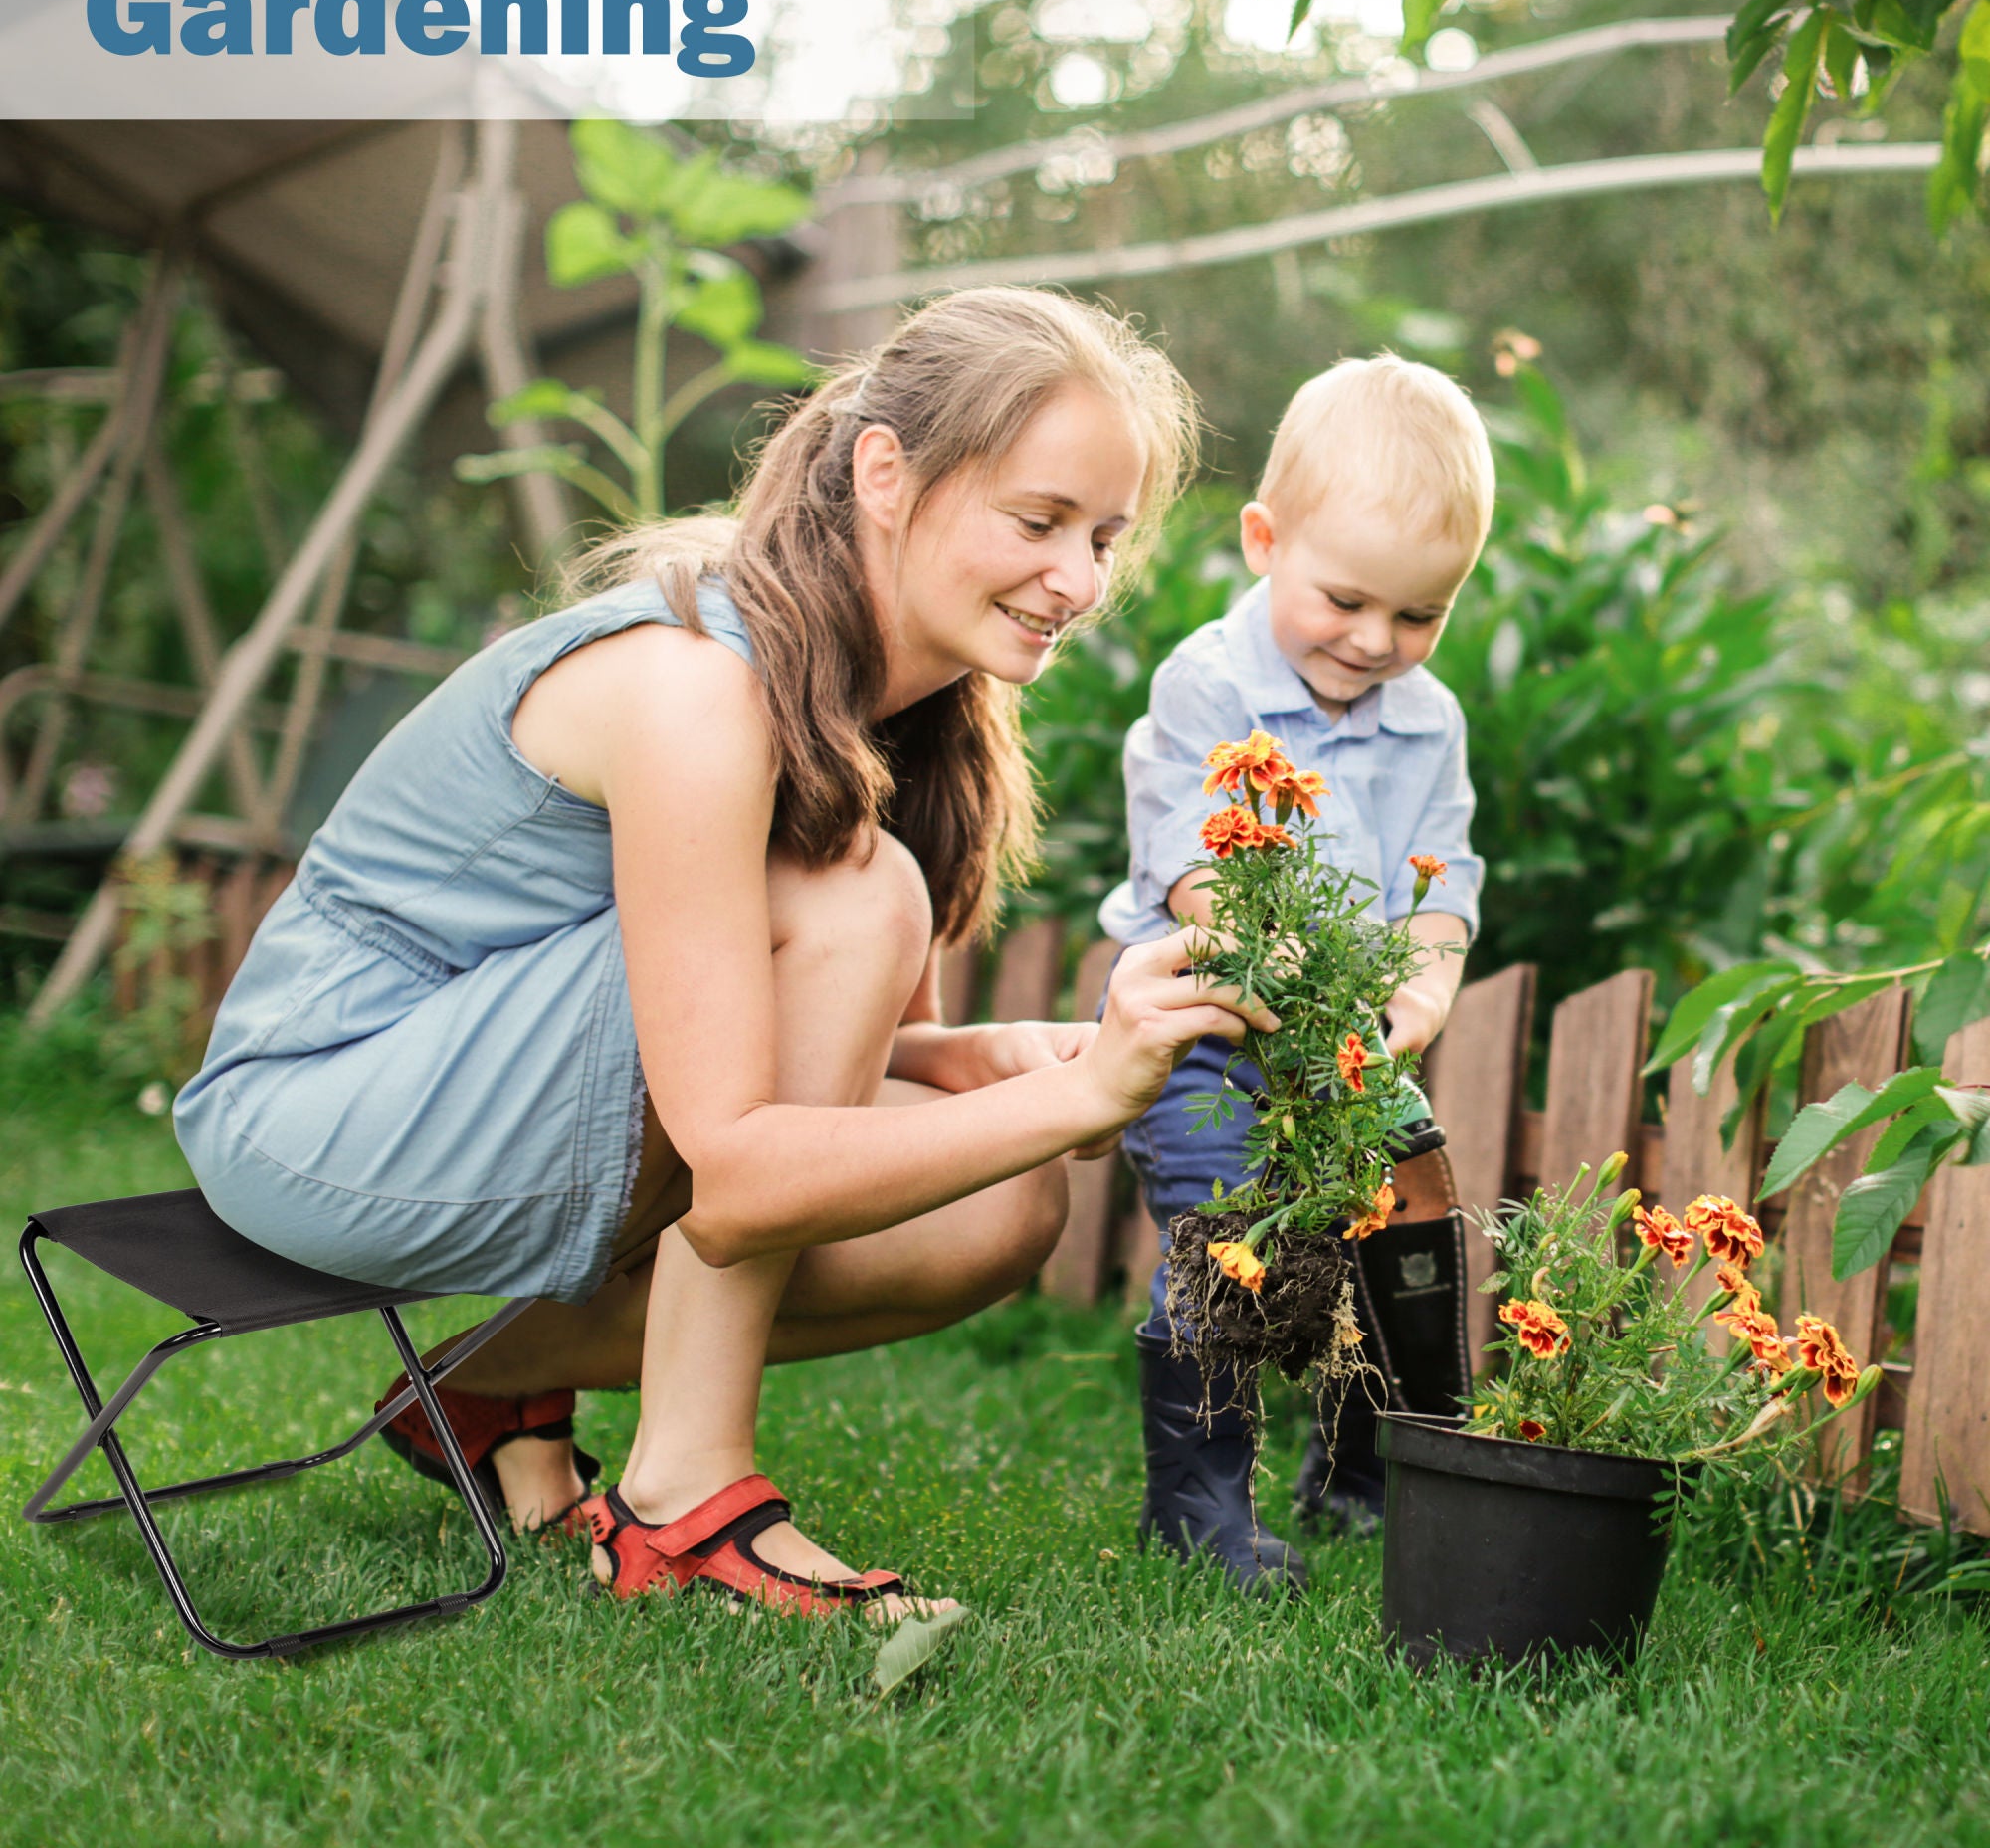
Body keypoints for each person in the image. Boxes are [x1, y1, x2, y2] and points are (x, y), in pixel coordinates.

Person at [173, 286, 1280, 1620]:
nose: (1079, 581)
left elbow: (778, 1039)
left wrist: (976, 1057)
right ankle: (682, 1498)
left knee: (1006, 1204)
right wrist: (1085, 1092)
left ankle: (486, 1382)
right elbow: (743, 1162)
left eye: (1102, 538)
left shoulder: (899, 702)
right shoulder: (703, 684)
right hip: (319, 1111)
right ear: (887, 472)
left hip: (477, 1084)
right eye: (1036, 522)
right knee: (861, 900)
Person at [1097, 353, 1494, 1594]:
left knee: (1389, 1257)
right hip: (1209, 1031)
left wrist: (1418, 993)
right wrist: (1293, 989)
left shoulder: (1426, 719)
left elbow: (1440, 886)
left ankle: (1359, 1475)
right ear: (1262, 539)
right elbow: (1193, 874)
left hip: (1345, 1047)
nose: (1376, 641)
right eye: (1344, 599)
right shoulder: (1208, 683)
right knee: (1229, 1258)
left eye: (1418, 615)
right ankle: (1198, 1506)